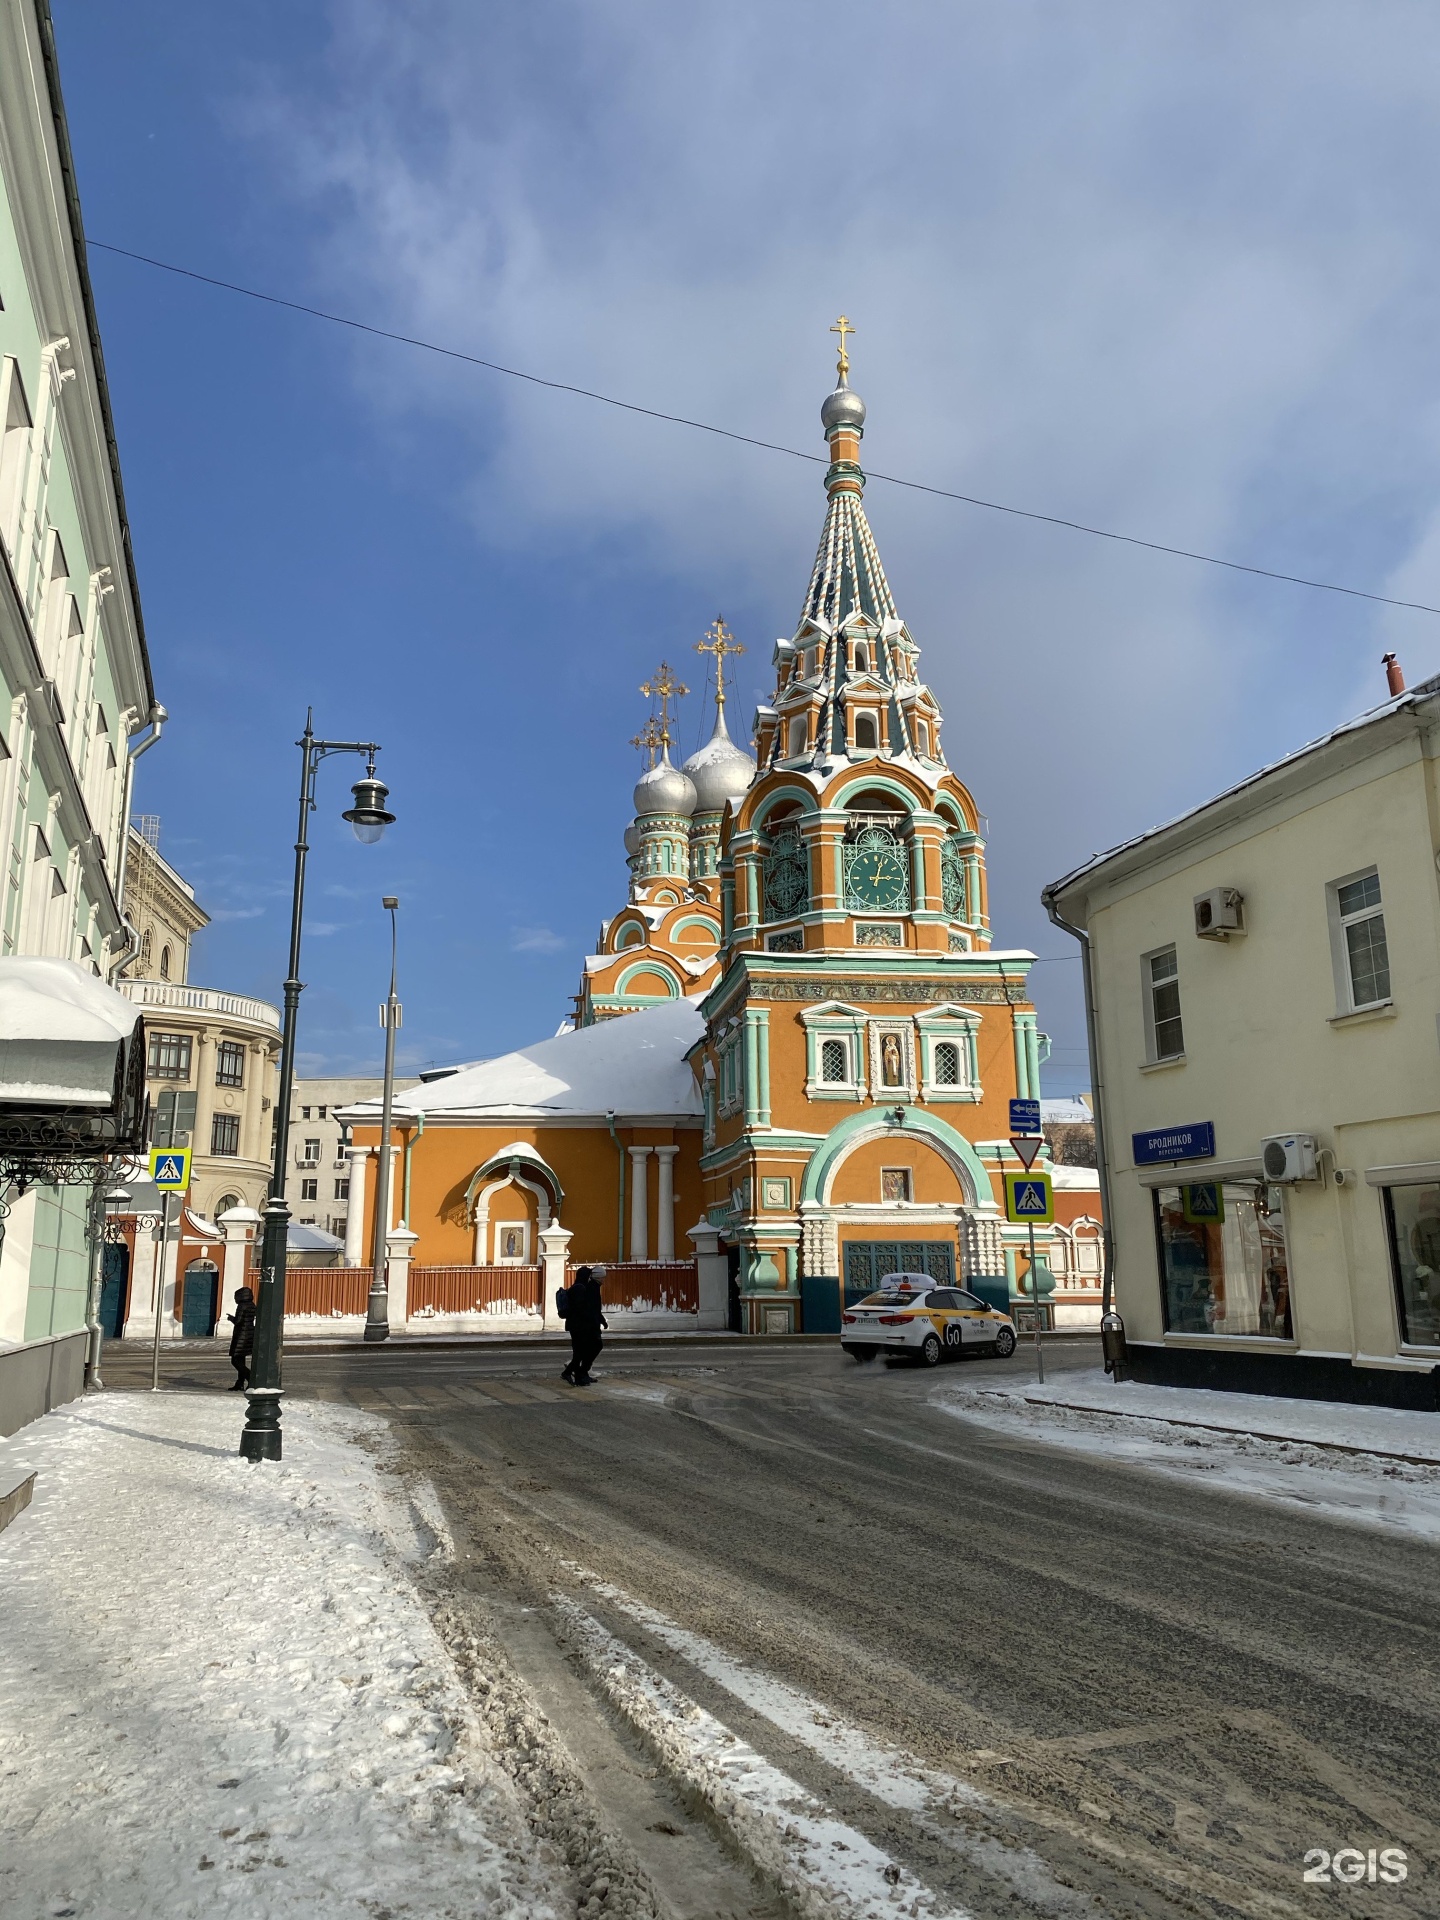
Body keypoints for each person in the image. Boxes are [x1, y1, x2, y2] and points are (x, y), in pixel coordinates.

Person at [567, 1265, 608, 1386]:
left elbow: (593, 1309)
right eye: (603, 1277)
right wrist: (595, 1322)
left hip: (583, 1325)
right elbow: (588, 1309)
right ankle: (577, 1373)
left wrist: (601, 1320)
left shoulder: (587, 1287)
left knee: (582, 1352)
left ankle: (579, 1374)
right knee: (587, 1350)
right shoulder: (587, 1288)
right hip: (582, 1326)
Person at [226, 1284, 256, 1391]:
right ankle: (240, 1383)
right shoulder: (252, 1305)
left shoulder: (242, 1306)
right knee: (241, 1359)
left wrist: (231, 1318)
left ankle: (250, 1378)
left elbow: (238, 1321)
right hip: (249, 1334)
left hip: (241, 1335)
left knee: (235, 1360)